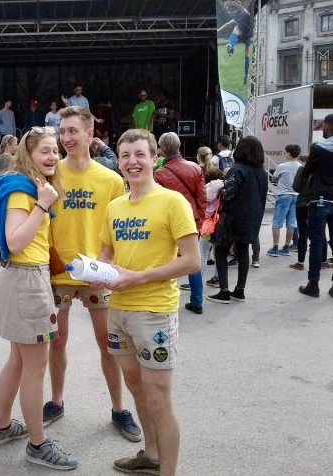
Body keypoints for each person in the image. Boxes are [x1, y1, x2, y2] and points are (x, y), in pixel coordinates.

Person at [97, 128, 200, 476]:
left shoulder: (173, 202)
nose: (132, 162)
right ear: (119, 162)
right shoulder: (114, 207)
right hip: (118, 311)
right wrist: (98, 269)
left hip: (154, 312)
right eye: (125, 156)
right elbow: (107, 253)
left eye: (140, 154)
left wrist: (137, 277)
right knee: (136, 386)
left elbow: (192, 261)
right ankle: (151, 456)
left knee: (158, 398)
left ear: (154, 158)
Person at [45, 106, 142, 442]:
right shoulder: (50, 174)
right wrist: (51, 261)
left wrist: (104, 266)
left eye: (73, 131)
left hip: (96, 274)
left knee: (109, 344)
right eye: (62, 131)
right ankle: (56, 401)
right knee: (56, 341)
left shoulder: (111, 180)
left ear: (90, 134)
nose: (66, 138)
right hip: (58, 274)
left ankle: (119, 408)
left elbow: (117, 230)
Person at [0, 125, 78, 470]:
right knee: (35, 366)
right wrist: (42, 205)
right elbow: (14, 241)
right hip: (26, 280)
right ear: (28, 154)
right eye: (45, 151)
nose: (53, 156)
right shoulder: (24, 191)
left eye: (55, 150)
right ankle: (38, 445)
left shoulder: (27, 186)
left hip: (22, 278)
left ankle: (2, 428)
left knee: (18, 359)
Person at [207, 136, 268, 304]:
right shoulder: (262, 173)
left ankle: (224, 291)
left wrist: (220, 189)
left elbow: (228, 194)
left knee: (221, 251)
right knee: (243, 251)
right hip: (252, 218)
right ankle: (240, 290)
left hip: (232, 217)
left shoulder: (237, 169)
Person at [154, 132, 207, 315]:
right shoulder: (195, 168)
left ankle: (165, 300)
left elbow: (157, 203)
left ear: (161, 150)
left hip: (167, 223)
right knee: (193, 261)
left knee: (167, 260)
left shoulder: (159, 174)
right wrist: (199, 221)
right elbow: (202, 199)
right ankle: (197, 301)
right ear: (179, 146)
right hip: (191, 221)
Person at [298, 113, 333, 298]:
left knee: (317, 243)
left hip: (319, 200)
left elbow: (306, 172)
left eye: (324, 125)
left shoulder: (319, 149)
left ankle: (313, 285)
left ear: (328, 126)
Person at [267, 144, 301, 257]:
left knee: (277, 222)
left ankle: (275, 248)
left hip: (283, 196)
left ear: (289, 153)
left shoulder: (282, 166)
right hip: (295, 196)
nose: (284, 154)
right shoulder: (300, 166)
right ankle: (286, 247)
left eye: (285, 152)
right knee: (291, 223)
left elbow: (273, 179)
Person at [220, 0, 254, 85]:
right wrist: (218, 30)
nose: (228, 12)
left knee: (236, 30)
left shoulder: (242, 15)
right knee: (246, 56)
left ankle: (231, 46)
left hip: (247, 33)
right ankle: (246, 76)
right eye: (227, 10)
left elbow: (239, 31)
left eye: (229, 10)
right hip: (246, 33)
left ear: (234, 8)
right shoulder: (239, 12)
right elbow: (227, 24)